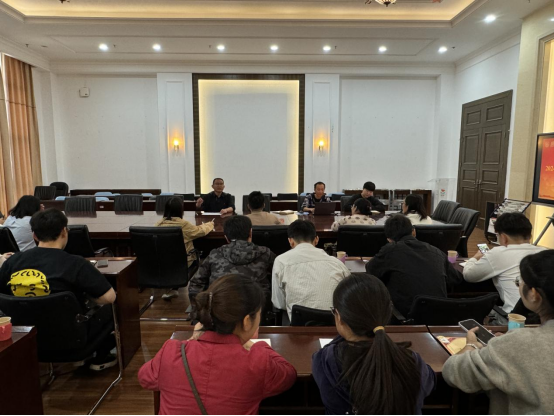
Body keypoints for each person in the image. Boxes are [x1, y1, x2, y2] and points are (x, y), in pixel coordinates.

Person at [138, 274, 297, 415]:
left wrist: (192, 340)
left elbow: (145, 378)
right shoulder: (258, 362)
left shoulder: (171, 352)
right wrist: (258, 346)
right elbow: (289, 374)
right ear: (247, 321)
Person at [0, 209, 117, 371]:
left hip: (26, 339)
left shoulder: (12, 262)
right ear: (64, 231)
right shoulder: (75, 263)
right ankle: (102, 355)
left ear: (34, 235)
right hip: (73, 340)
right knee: (112, 307)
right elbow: (109, 297)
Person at [443, 250, 554, 415]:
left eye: (519, 282)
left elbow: (454, 373)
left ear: (534, 295)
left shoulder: (518, 344)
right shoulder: (515, 343)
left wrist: (472, 345)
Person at [313, 274, 436, 415]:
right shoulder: (413, 362)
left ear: (339, 317)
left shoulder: (324, 361)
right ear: (387, 313)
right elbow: (430, 381)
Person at [366, 215, 463, 318]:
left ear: (389, 239)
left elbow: (371, 270)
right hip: (440, 316)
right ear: (413, 232)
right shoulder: (436, 251)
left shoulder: (390, 250)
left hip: (405, 317)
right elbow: (456, 278)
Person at [463, 212, 546, 324]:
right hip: (546, 319)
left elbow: (469, 276)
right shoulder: (545, 253)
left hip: (514, 320)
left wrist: (474, 258)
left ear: (503, 237)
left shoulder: (498, 253)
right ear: (530, 236)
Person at [272, 220, 350, 320]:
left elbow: (279, 303)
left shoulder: (281, 261)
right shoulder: (338, 264)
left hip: (298, 324)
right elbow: (348, 298)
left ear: (290, 241)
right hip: (334, 323)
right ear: (316, 239)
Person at [189, 216, 275, 302]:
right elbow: (280, 276)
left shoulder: (215, 254)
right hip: (258, 306)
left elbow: (196, 284)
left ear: (226, 237)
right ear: (250, 233)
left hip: (220, 306)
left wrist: (203, 306)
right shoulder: (265, 253)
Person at [156, 197, 215, 300]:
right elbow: (201, 231)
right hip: (184, 261)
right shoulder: (183, 225)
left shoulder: (158, 224)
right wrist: (210, 224)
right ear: (180, 210)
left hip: (164, 261)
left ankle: (173, 287)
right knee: (197, 257)